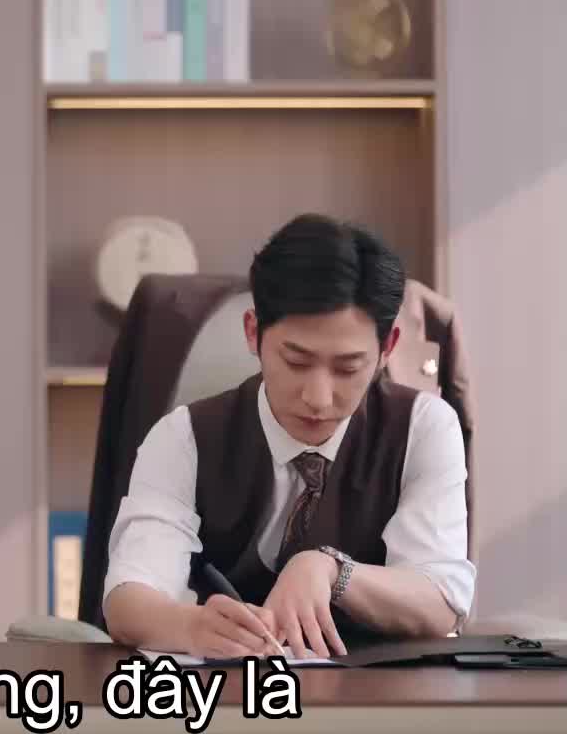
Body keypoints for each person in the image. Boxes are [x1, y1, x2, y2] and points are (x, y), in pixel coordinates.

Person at [103, 214, 474, 658]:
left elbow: (443, 601)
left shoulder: (423, 427)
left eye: (347, 368)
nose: (318, 398)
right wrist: (192, 627)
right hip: (236, 690)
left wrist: (331, 571)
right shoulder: (184, 438)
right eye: (296, 362)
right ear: (253, 332)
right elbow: (128, 600)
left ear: (387, 349)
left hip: (382, 691)